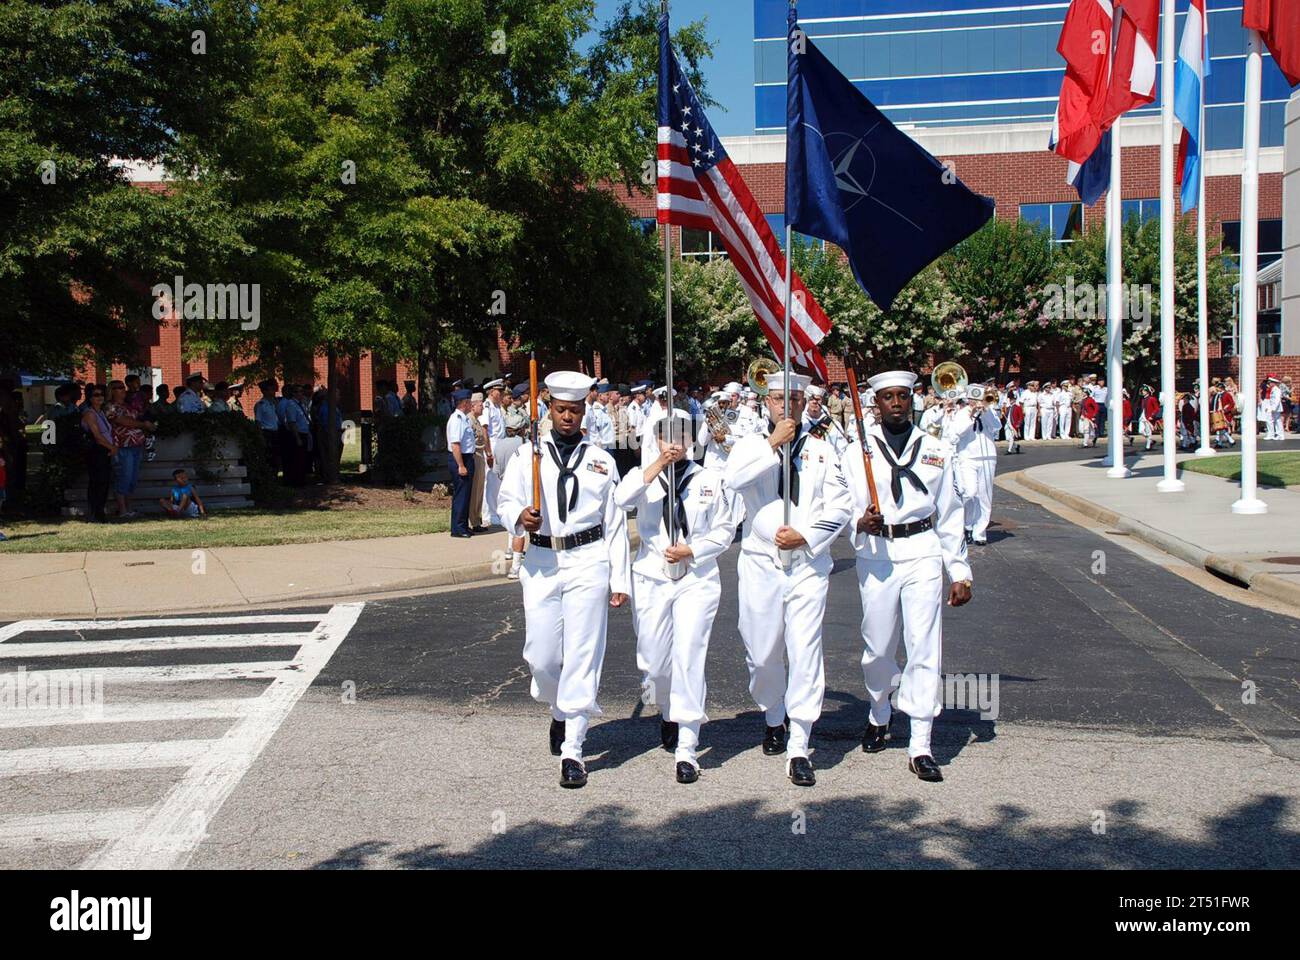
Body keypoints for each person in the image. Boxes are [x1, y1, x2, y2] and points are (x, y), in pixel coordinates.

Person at [497, 371, 631, 789]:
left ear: (584, 410)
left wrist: (620, 578)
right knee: (541, 655)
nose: (568, 417)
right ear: (549, 410)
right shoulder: (528, 456)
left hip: (588, 560)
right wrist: (520, 516)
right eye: (560, 410)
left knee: (583, 652)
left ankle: (574, 746)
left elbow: (615, 523)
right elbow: (505, 500)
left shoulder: (601, 460)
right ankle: (559, 709)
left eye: (575, 410)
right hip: (540, 559)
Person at [723, 372, 853, 787]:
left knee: (804, 649)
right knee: (762, 654)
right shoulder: (749, 445)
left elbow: (841, 503)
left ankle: (799, 742)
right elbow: (734, 480)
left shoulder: (823, 449)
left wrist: (809, 536)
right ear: (767, 402)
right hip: (761, 563)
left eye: (794, 399)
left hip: (807, 565)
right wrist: (773, 443)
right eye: (779, 399)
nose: (787, 406)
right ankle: (773, 713)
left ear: (804, 403)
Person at [842, 371, 972, 783]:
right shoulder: (856, 452)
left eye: (903, 396)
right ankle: (880, 709)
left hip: (922, 550)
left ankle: (920, 743)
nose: (896, 403)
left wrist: (960, 570)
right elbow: (839, 503)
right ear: (876, 404)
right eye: (887, 397)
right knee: (878, 647)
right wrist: (858, 522)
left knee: (923, 646)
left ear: (913, 399)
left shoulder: (936, 449)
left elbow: (950, 512)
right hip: (878, 554)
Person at [615, 410, 742, 783]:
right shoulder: (645, 477)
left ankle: (688, 745)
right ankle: (669, 709)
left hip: (696, 578)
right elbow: (622, 500)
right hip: (653, 577)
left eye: (681, 435)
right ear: (655, 438)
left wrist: (693, 550)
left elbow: (724, 529)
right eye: (667, 435)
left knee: (689, 655)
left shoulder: (709, 479)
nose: (675, 441)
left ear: (692, 439)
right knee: (654, 662)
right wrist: (657, 463)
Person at [952, 394, 1000, 546]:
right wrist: (971, 415)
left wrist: (986, 411)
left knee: (985, 496)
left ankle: (980, 532)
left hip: (987, 457)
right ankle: (967, 524)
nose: (977, 401)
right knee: (969, 492)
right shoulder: (962, 413)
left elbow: (997, 426)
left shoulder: (988, 410)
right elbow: (957, 432)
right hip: (967, 456)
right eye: (974, 397)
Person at [104, 380, 153, 519]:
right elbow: (123, 421)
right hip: (122, 446)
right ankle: (122, 509)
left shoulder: (128, 406)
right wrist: (143, 425)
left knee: (132, 478)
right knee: (123, 477)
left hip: (136, 444)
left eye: (123, 387)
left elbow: (138, 415)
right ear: (111, 391)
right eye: (118, 388)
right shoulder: (110, 407)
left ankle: (129, 508)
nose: (123, 390)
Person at [80, 387, 117, 523]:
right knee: (97, 482)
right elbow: (97, 435)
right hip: (96, 450)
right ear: (90, 398)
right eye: (96, 395)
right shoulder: (90, 414)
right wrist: (111, 447)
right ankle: (94, 514)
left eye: (101, 395)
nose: (99, 397)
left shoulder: (100, 412)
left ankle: (100, 512)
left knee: (104, 482)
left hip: (104, 450)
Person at [445, 389, 476, 538]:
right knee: (461, 494)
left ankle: (463, 525)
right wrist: (461, 465)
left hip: (467, 457)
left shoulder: (463, 418)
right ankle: (457, 528)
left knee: (466, 494)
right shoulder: (456, 419)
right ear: (464, 403)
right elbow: (455, 444)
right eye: (469, 401)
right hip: (460, 458)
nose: (471, 404)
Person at [254, 380, 282, 474]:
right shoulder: (261, 405)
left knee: (276, 456)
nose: (273, 392)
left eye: (273, 390)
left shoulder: (273, 403)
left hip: (275, 432)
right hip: (267, 433)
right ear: (264, 391)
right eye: (270, 390)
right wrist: (260, 436)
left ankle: (275, 475)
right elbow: (258, 421)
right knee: (269, 457)